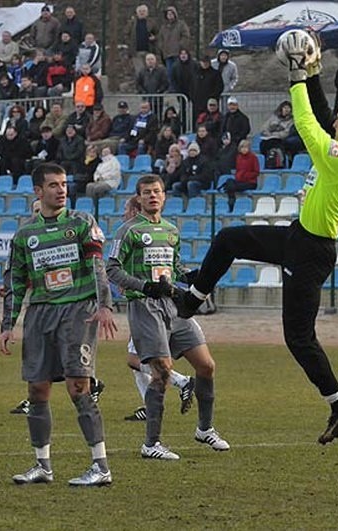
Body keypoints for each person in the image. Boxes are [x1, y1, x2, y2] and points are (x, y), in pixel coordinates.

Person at [175, 32, 338, 444]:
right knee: (230, 239)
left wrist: (297, 76)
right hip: (300, 239)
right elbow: (322, 116)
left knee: (299, 338)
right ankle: (193, 297)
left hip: (312, 253)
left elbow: (306, 123)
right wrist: (316, 72)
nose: (334, 122)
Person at [0, 163, 117, 486]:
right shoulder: (25, 235)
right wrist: (7, 325)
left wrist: (104, 303)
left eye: (64, 184)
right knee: (37, 389)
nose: (61, 190)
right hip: (40, 315)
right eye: (53, 185)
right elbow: (16, 281)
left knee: (78, 385)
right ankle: (43, 465)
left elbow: (97, 266)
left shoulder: (82, 223)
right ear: (38, 192)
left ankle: (100, 466)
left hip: (77, 311)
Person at [106, 174, 229, 460]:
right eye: (146, 192)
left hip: (173, 306)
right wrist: (144, 286)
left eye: (157, 191)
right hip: (145, 307)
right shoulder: (128, 231)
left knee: (206, 366)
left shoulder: (172, 231)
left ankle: (205, 429)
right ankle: (151, 444)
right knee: (161, 372)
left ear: (164, 196)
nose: (152, 196)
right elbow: (112, 269)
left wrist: (196, 276)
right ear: (138, 198)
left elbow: (175, 267)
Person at [222, 139, 259, 211]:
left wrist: (245, 176)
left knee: (231, 187)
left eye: (246, 147)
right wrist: (238, 176)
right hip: (240, 181)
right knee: (229, 181)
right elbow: (238, 170)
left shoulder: (253, 157)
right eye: (242, 147)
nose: (244, 149)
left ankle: (231, 202)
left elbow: (256, 172)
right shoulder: (238, 157)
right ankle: (231, 199)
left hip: (250, 182)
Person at [159, 5, 191, 83]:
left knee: (179, 72)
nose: (169, 15)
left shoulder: (181, 25)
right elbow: (160, 39)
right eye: (168, 14)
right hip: (167, 54)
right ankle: (172, 88)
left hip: (178, 53)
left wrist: (181, 47)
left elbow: (186, 36)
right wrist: (162, 48)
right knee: (170, 73)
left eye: (171, 13)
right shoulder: (164, 27)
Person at [136, 53, 169, 119]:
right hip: (146, 99)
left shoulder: (161, 70)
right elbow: (138, 83)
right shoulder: (142, 71)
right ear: (145, 61)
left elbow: (165, 83)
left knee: (157, 116)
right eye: (148, 59)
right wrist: (142, 92)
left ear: (155, 60)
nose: (150, 61)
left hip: (158, 98)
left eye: (152, 59)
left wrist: (159, 91)